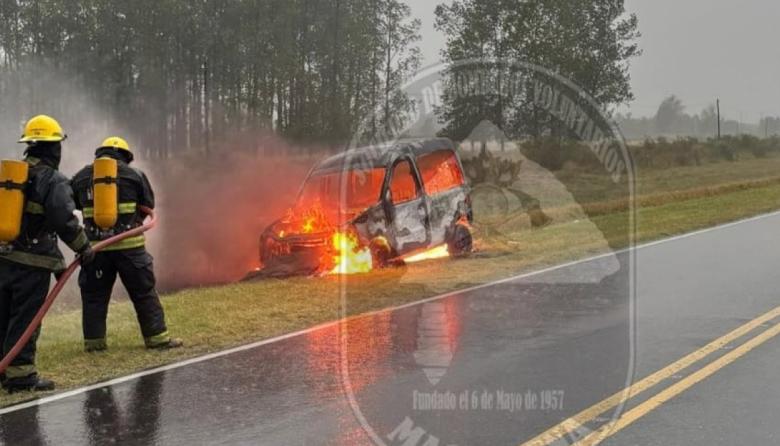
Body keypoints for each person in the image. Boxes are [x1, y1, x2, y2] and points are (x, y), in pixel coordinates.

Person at [0, 115, 95, 393]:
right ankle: (21, 377)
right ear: (54, 147)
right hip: (32, 262)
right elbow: (62, 219)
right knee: (25, 318)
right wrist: (83, 247)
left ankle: (4, 370)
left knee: (3, 315)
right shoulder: (53, 180)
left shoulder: (11, 175)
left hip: (3, 258)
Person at [71, 137, 182, 352]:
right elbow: (147, 204)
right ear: (124, 155)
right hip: (130, 248)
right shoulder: (135, 175)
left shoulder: (81, 177)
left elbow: (73, 203)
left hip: (96, 250)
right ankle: (157, 339)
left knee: (94, 297)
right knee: (143, 293)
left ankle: (94, 345)